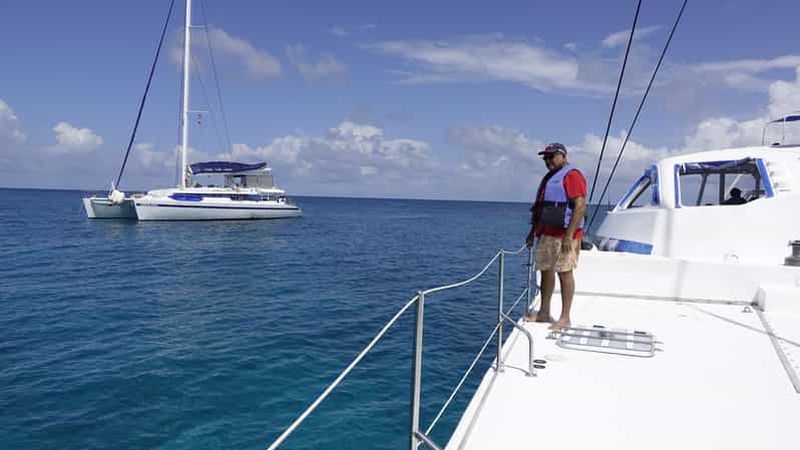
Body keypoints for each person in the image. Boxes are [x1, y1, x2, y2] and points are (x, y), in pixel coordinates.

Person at [524, 143, 587, 330]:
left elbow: (580, 206)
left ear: (563, 156)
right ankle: (544, 313)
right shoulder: (549, 178)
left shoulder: (572, 175)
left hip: (565, 235)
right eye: (545, 158)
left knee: (564, 273)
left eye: (552, 157)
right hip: (546, 233)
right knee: (545, 271)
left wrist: (569, 236)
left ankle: (565, 317)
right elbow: (541, 208)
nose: (548, 161)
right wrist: (531, 233)